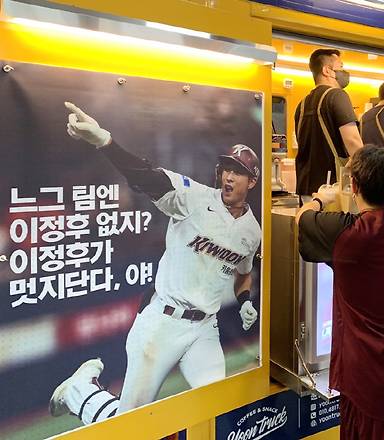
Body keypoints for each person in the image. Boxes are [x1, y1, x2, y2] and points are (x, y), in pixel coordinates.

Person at [49, 102, 262, 424]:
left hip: (204, 328)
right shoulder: (194, 198)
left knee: (217, 406)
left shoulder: (252, 231)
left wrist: (245, 300)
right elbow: (146, 176)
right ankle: (81, 391)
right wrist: (104, 140)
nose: (230, 177)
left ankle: (83, 390)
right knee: (130, 424)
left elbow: (243, 273)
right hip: (163, 322)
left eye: (239, 172)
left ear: (252, 182)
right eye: (226, 169)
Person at [297, 145, 384, 439]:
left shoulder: (346, 232)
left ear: (353, 186)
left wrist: (320, 199)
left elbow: (302, 218)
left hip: (366, 381)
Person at [294, 48, 364, 201]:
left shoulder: (301, 104)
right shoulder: (337, 96)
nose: (344, 72)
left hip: (305, 189)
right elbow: (353, 141)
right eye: (341, 67)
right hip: (332, 190)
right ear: (327, 70)